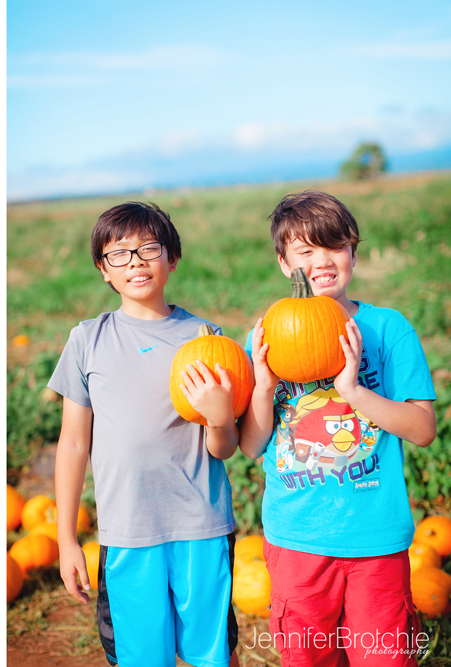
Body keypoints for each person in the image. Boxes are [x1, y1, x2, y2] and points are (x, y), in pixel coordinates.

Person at [239, 190, 437, 666]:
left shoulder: (387, 329)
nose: (322, 261)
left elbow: (423, 429)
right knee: (308, 658)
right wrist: (263, 387)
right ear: (285, 264)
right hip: (297, 539)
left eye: (334, 246)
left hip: (376, 539)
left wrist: (353, 390)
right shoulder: (267, 336)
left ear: (353, 251)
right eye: (305, 251)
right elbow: (250, 445)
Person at [48, 201, 241, 667]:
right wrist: (66, 539)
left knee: (214, 653)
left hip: (202, 525)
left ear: (172, 258)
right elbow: (73, 444)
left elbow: (224, 448)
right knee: (141, 657)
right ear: (103, 269)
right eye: (119, 253)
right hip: (126, 531)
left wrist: (221, 419)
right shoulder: (87, 340)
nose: (135, 261)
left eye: (149, 248)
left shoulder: (206, 339)